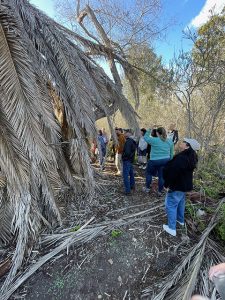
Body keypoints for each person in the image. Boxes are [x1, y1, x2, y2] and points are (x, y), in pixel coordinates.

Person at [162, 138, 200, 236]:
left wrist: (167, 184)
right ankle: (180, 220)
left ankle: (171, 228)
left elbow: (172, 173)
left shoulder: (181, 158)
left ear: (187, 146)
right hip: (184, 186)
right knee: (180, 203)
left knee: (170, 205)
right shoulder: (191, 157)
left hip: (176, 185)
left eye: (183, 142)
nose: (181, 143)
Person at [143, 127, 174, 196]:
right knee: (161, 176)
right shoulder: (170, 141)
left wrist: (149, 129)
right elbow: (172, 153)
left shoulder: (154, 140)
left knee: (149, 173)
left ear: (157, 133)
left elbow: (145, 137)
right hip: (165, 160)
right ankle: (160, 191)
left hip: (154, 160)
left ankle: (147, 188)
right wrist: (170, 161)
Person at [122, 129, 137, 195]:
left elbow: (127, 152)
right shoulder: (133, 140)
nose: (124, 134)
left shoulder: (128, 141)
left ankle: (128, 191)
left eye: (125, 132)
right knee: (131, 174)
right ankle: (132, 185)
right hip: (130, 160)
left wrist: (124, 157)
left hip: (127, 160)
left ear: (129, 133)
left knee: (125, 175)